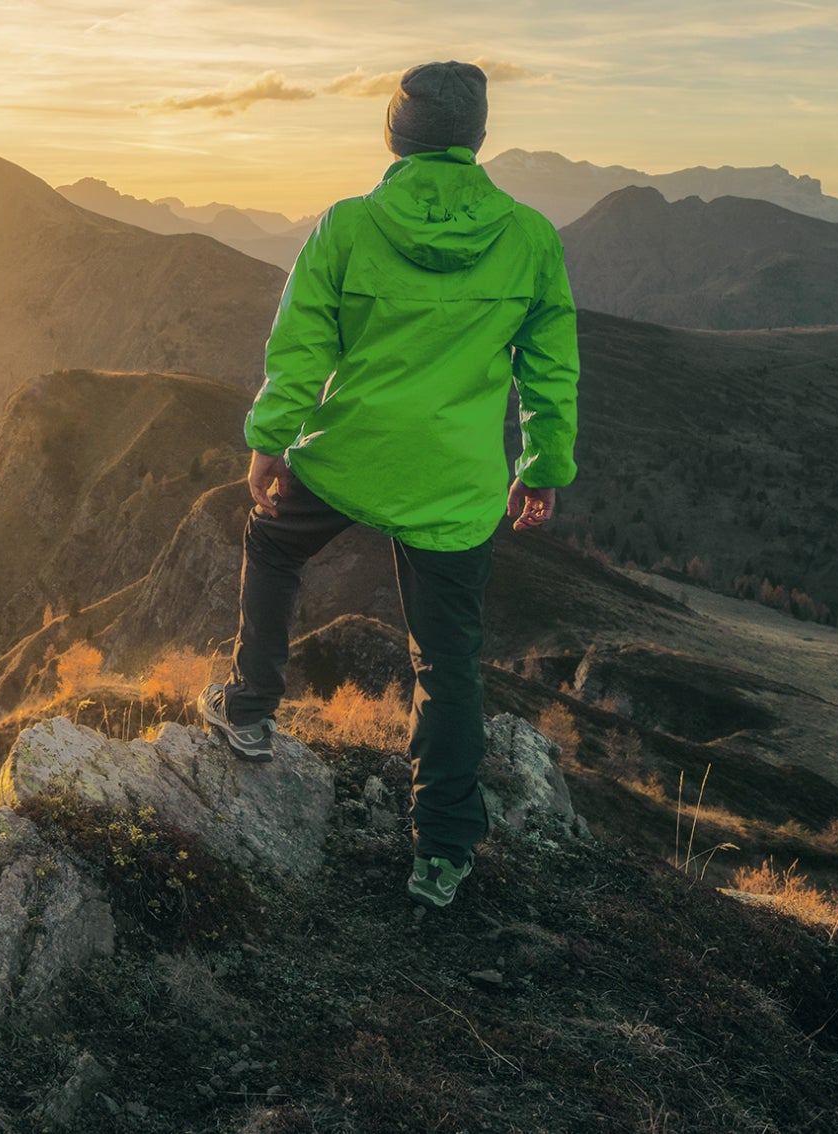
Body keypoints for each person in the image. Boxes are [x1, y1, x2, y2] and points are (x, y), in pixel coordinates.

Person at [194, 60, 579, 910]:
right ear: (477, 139)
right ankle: (441, 853)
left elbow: (301, 349)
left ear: (395, 138)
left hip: (347, 455)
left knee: (272, 542)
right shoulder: (529, 238)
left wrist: (271, 440)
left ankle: (250, 710)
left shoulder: (347, 226)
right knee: (448, 663)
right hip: (455, 484)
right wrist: (543, 469)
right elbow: (550, 375)